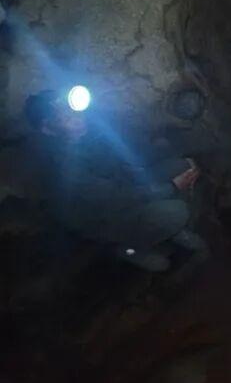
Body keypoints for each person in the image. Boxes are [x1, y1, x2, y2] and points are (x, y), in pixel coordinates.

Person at [24, 90, 205, 272]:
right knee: (176, 211)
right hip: (102, 217)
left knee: (182, 166)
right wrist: (172, 187)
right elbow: (117, 197)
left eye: (73, 110)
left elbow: (124, 156)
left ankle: (169, 230)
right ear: (48, 129)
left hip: (122, 186)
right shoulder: (63, 166)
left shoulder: (85, 132)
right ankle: (129, 248)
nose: (78, 117)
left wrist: (140, 167)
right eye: (66, 117)